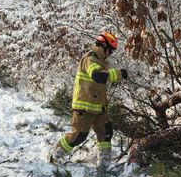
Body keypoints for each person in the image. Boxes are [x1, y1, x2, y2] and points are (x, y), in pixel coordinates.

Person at [49, 31, 128, 168]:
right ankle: (55, 154)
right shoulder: (90, 58)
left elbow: (101, 81)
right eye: (110, 50)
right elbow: (97, 76)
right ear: (104, 46)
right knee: (79, 135)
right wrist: (118, 74)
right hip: (84, 107)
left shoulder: (102, 61)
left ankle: (103, 163)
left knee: (106, 132)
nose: (111, 53)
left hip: (98, 106)